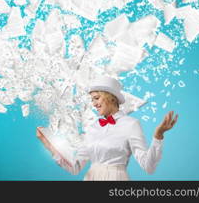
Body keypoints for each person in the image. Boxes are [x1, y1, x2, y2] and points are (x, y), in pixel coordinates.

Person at [37, 75, 178, 180]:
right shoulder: (92, 128)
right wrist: (50, 145)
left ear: (111, 98)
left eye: (97, 98)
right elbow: (75, 167)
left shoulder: (130, 124)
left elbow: (149, 166)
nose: (94, 103)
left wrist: (158, 136)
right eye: (92, 99)